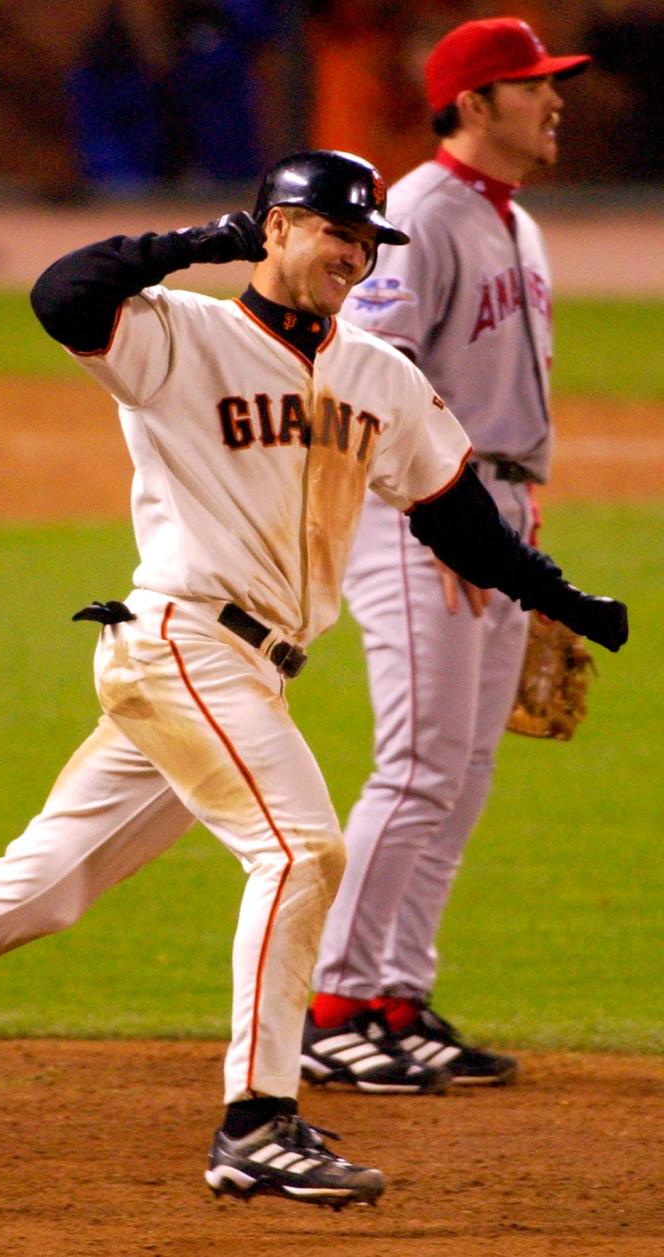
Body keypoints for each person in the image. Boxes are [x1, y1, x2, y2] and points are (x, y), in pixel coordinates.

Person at [0, 148, 627, 1210]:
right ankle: (258, 1121)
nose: (354, 255)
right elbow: (59, 293)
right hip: (181, 647)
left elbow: (455, 516)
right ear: (277, 230)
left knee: (47, 883)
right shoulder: (178, 336)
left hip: (246, 676)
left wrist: (563, 600)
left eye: (365, 241)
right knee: (299, 849)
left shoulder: (378, 373)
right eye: (336, 233)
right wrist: (200, 243)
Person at [302, 18, 594, 1095]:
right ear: (474, 105)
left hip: (497, 513)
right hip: (424, 518)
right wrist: (444, 515)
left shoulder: (510, 222)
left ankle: (393, 997)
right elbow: (361, 377)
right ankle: (328, 1005)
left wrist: (516, 521)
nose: (554, 101)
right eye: (533, 86)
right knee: (419, 763)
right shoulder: (418, 215)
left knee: (462, 775)